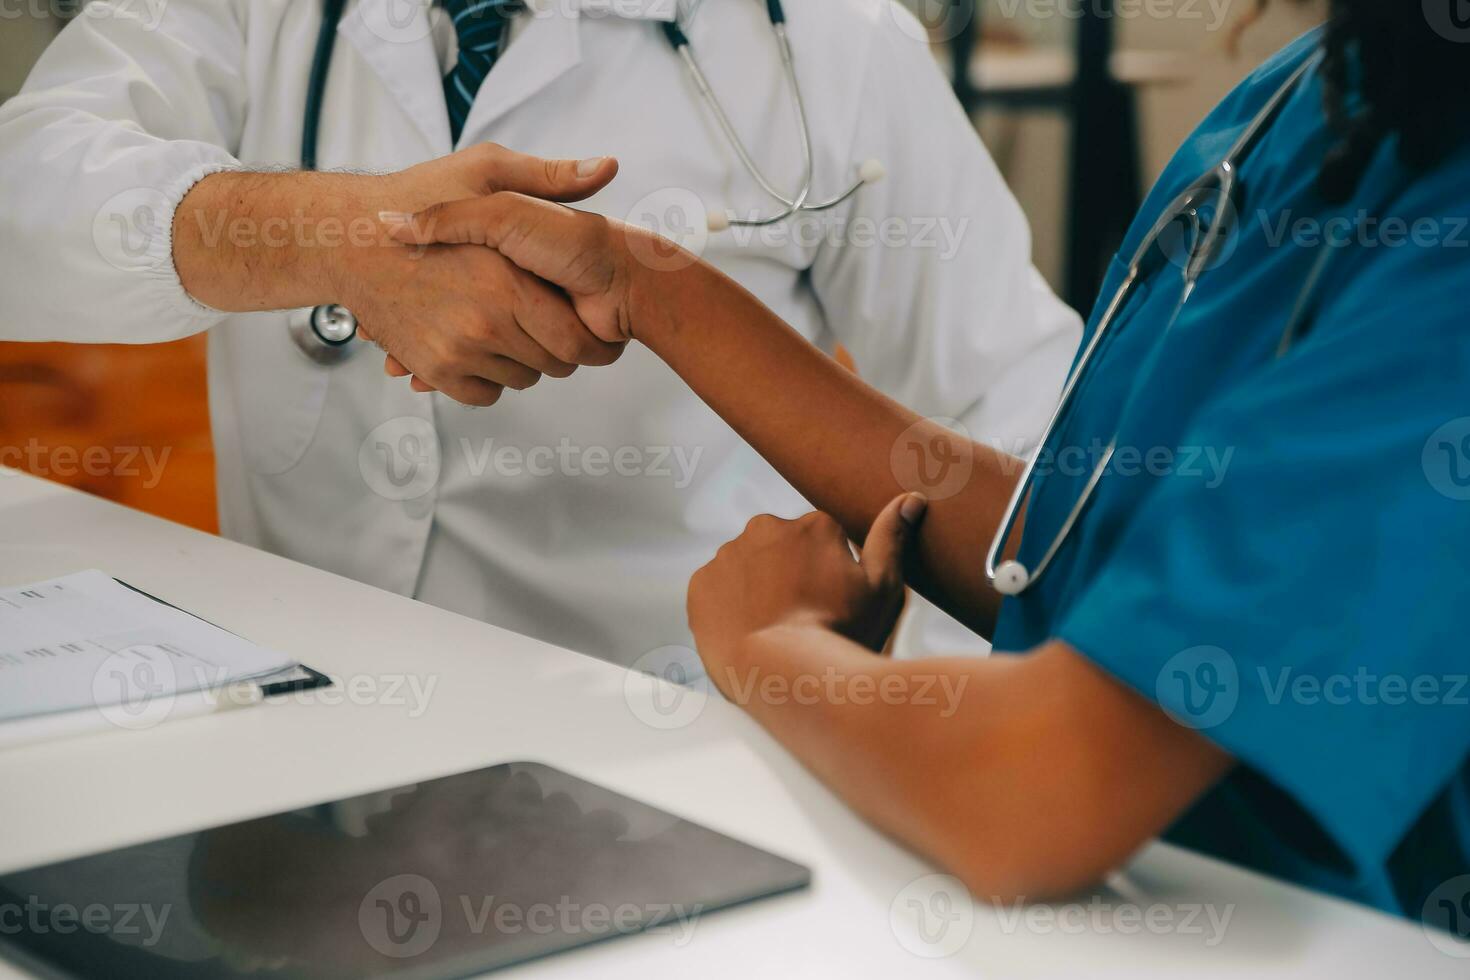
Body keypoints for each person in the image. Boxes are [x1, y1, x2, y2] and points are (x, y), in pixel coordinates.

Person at [376, 5, 1470, 921]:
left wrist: (772, 648)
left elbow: (1038, 787)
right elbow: (1074, 550)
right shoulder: (1319, 91)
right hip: (1128, 917)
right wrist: (648, 284)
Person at [0, 0, 1079, 666]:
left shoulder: (835, 39)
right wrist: (335, 237)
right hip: (300, 725)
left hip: (683, 764)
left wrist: (877, 721)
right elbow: (22, 196)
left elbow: (1026, 433)